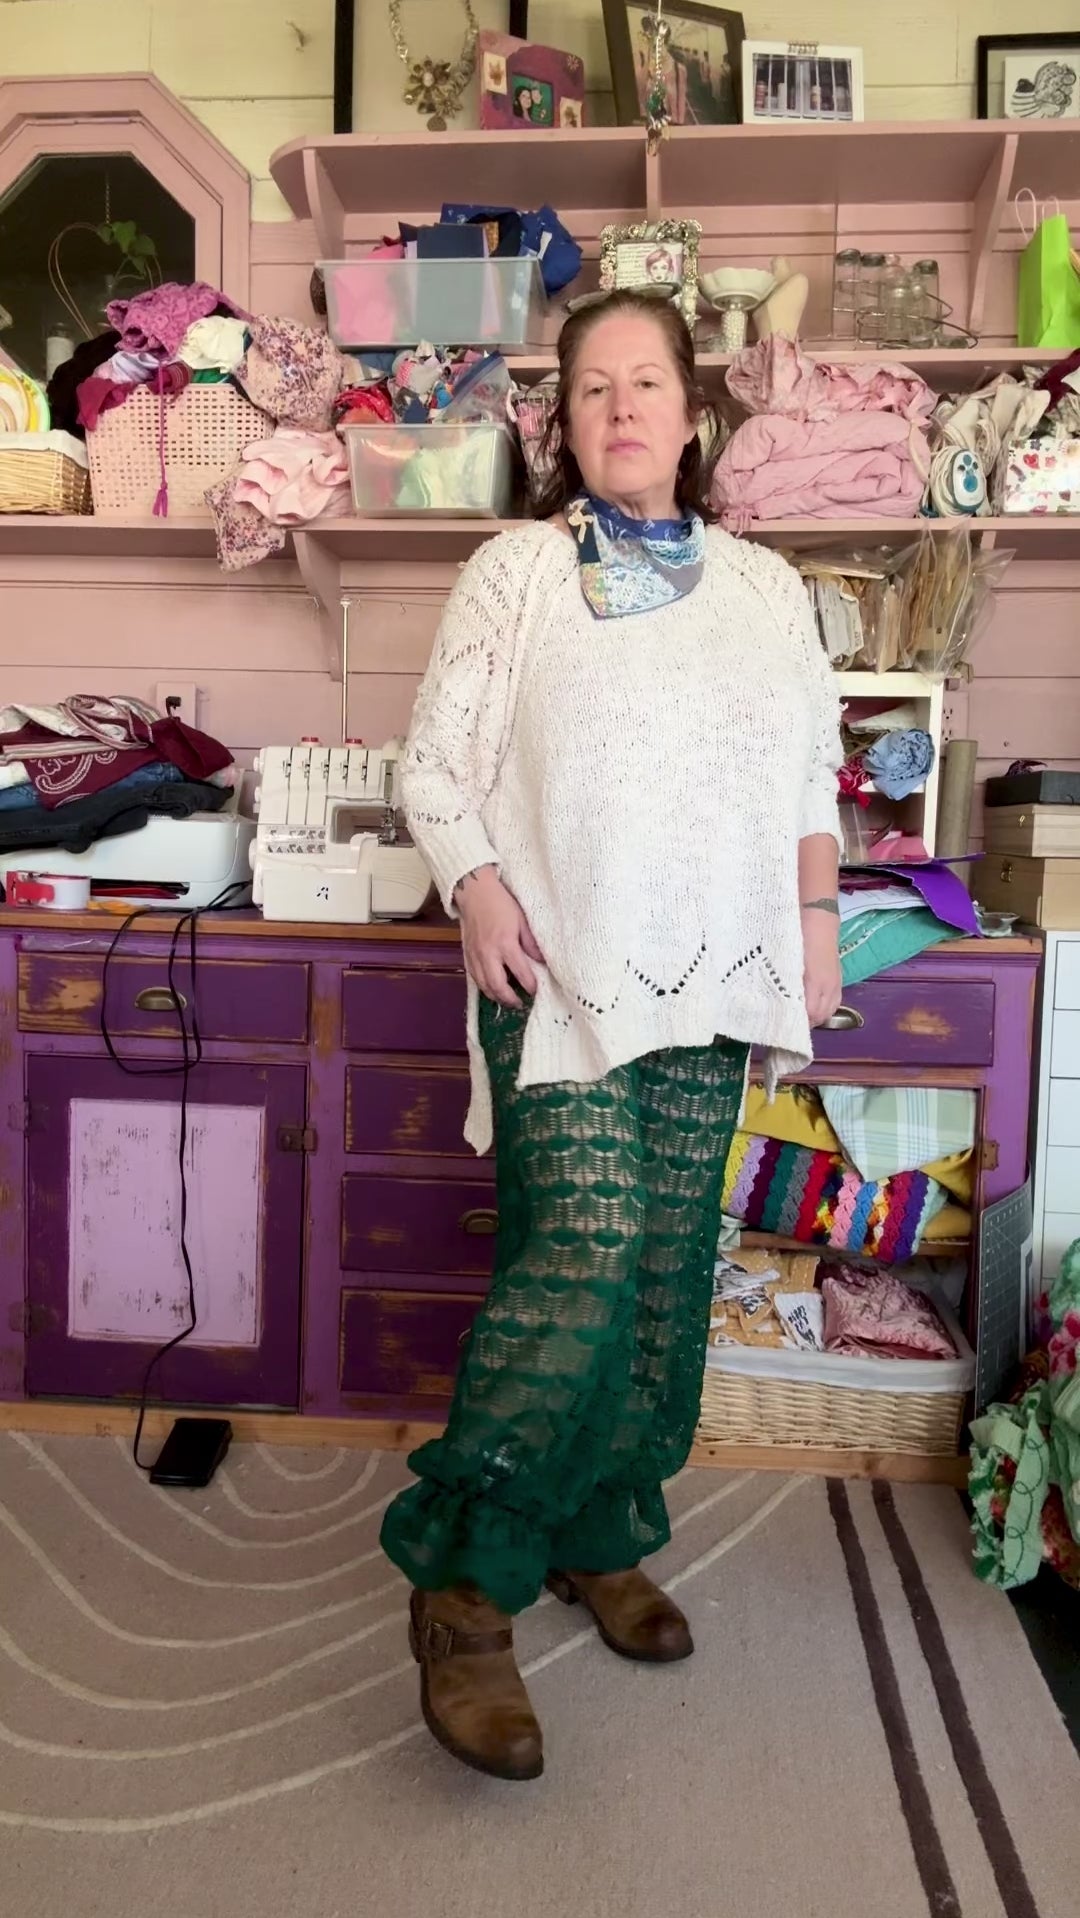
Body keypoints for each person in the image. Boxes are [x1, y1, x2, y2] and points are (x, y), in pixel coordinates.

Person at [380, 289, 844, 1781]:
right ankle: (466, 1587)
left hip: (713, 984)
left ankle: (597, 1525)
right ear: (564, 428)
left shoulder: (766, 590)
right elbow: (435, 764)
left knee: (658, 1274)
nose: (622, 405)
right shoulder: (517, 570)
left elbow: (810, 782)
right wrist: (475, 888)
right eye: (592, 388)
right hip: (557, 980)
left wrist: (815, 933)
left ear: (691, 414)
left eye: (647, 381)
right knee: (582, 1242)